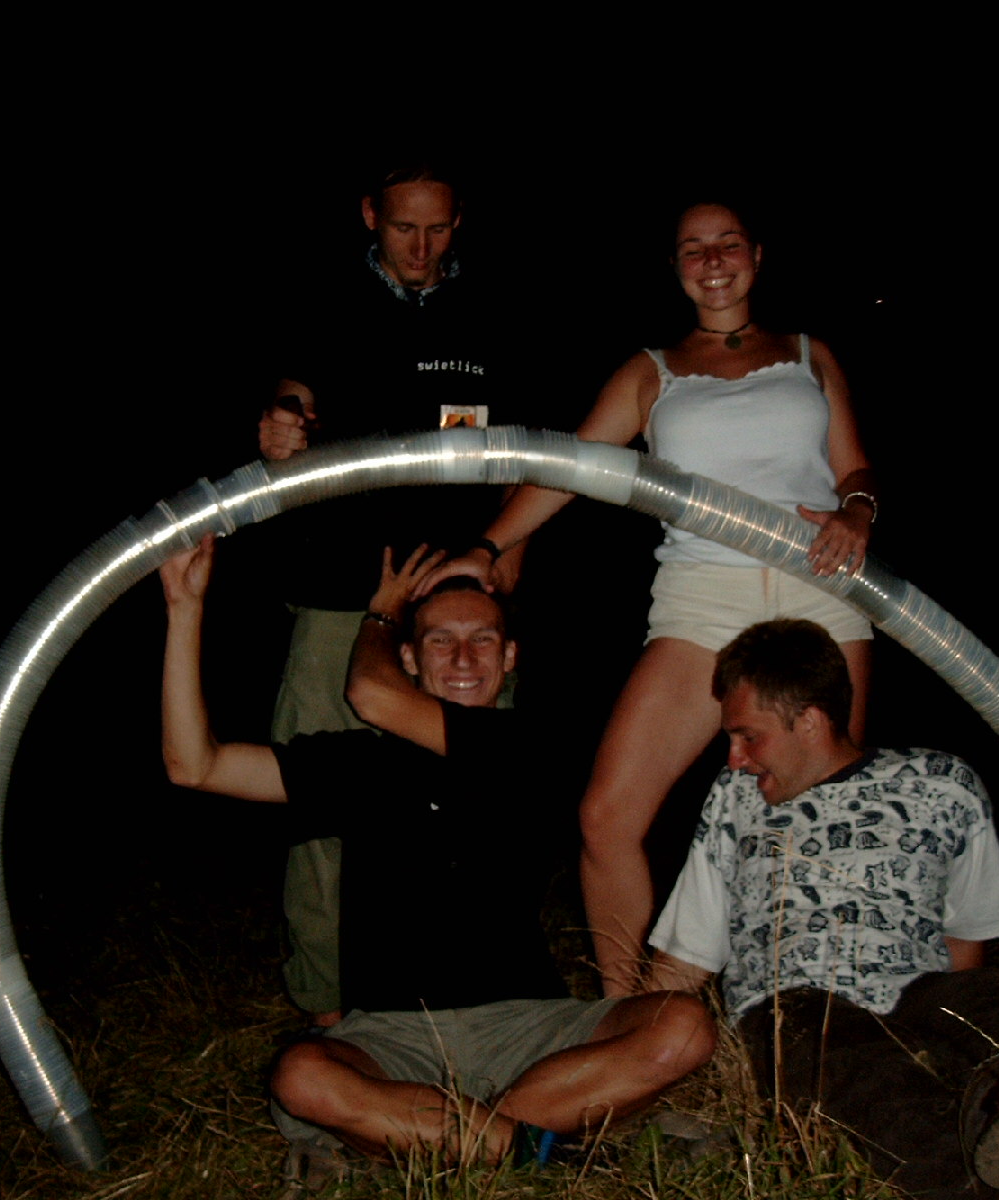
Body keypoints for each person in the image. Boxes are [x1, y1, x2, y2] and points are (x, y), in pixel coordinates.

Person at [420, 201, 877, 993]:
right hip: (701, 598)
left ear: (757, 255)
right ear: (675, 267)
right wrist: (488, 546)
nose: (713, 260)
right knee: (606, 816)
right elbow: (571, 466)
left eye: (727, 244)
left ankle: (812, 1017)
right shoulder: (650, 372)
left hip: (820, 587)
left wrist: (859, 511)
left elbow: (855, 469)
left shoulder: (811, 355)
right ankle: (627, 1013)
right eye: (693, 249)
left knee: (823, 814)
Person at [159, 534, 714, 1173]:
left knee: (684, 1026)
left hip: (531, 1028)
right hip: (393, 1036)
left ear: (510, 656)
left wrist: (379, 615)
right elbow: (194, 766)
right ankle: (533, 1147)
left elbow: (370, 693)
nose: (463, 658)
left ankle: (442, 1134)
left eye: (483, 640)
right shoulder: (360, 765)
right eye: (440, 640)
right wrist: (184, 608)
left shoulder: (537, 748)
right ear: (411, 659)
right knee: (303, 1074)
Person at [645, 620, 999, 1199]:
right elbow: (687, 953)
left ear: (810, 720)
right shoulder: (735, 799)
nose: (735, 759)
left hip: (917, 992)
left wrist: (958, 1028)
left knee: (990, 1000)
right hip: (794, 1012)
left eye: (748, 737)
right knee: (854, 1068)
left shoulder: (942, 784)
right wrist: (634, 1046)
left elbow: (966, 941)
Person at [257, 164, 534, 1025]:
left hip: (457, 595)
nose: (422, 248)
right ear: (370, 214)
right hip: (343, 590)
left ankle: (481, 998)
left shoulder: (493, 311)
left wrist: (507, 556)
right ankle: (328, 1009)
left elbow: (526, 452)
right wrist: (282, 424)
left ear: (460, 221)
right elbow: (295, 395)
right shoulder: (322, 301)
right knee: (322, 807)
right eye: (404, 228)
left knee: (479, 804)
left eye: (439, 229)